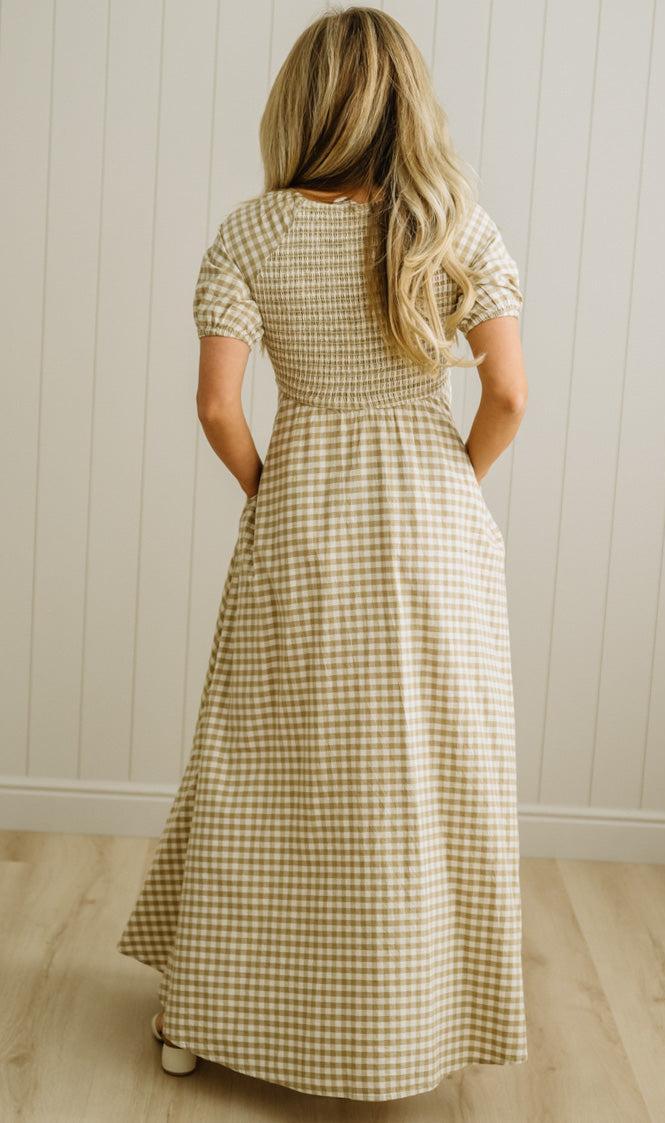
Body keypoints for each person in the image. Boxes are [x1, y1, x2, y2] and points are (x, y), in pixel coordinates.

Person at [117, 4, 529, 1102]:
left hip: (303, 508)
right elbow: (506, 393)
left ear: (299, 101)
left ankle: (201, 1012)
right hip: (433, 515)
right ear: (408, 99)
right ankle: (414, 1018)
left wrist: (271, 490)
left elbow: (216, 406)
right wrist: (453, 486)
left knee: (267, 766)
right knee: (427, 775)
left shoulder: (251, 232)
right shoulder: (454, 225)